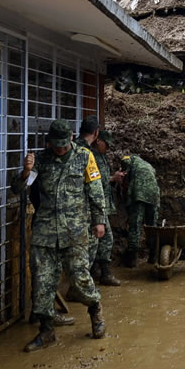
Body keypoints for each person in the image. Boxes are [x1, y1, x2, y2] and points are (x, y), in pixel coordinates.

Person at [12, 120, 107, 351]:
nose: (60, 150)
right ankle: (46, 332)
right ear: (49, 142)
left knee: (80, 278)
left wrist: (99, 220)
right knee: (42, 282)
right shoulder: (41, 161)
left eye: (64, 146)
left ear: (72, 137)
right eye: (56, 146)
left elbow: (95, 189)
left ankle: (95, 311)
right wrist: (25, 171)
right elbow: (18, 189)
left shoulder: (85, 156)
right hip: (45, 232)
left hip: (74, 230)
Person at [77, 119, 118, 287]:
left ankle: (91, 277)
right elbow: (96, 185)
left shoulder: (77, 149)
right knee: (94, 242)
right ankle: (86, 282)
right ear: (96, 134)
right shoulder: (86, 153)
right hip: (87, 208)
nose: (107, 148)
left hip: (86, 207)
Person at [113, 146, 160, 268]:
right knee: (152, 226)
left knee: (135, 225)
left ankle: (132, 258)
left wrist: (121, 170)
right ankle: (153, 256)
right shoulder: (149, 166)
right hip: (154, 195)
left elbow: (124, 173)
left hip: (138, 194)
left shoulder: (129, 159)